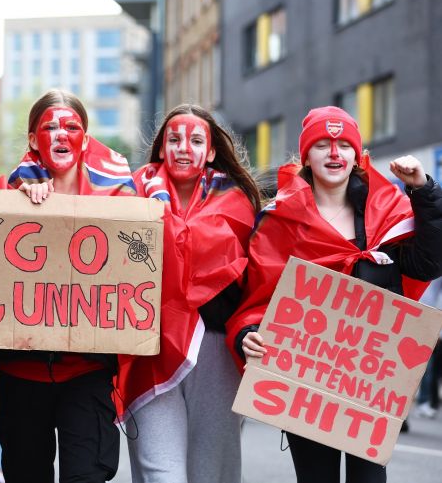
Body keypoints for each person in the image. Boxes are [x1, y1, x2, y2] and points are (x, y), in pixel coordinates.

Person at [226, 106, 442, 483]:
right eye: (322, 144)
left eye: (344, 144)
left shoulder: (390, 211)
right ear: (305, 156)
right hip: (307, 383)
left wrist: (424, 191)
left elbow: (429, 262)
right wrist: (249, 335)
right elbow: (258, 300)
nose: (334, 153)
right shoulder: (279, 221)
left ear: (356, 155)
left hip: (371, 386)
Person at [0, 89, 135, 483]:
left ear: (86, 140)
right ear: (32, 140)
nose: (60, 134)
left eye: (71, 127)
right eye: (49, 127)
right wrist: (16, 203)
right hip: (22, 375)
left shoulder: (119, 204)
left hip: (86, 376)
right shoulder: (7, 196)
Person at [114, 104, 260, 483]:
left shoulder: (236, 202)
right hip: (150, 351)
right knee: (161, 474)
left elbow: (198, 254)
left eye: (196, 140)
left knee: (213, 473)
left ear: (210, 152)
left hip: (214, 351)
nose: (183, 148)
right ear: (161, 148)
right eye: (174, 139)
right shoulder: (126, 193)